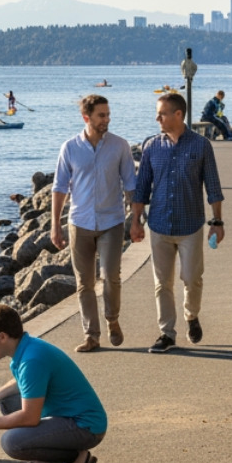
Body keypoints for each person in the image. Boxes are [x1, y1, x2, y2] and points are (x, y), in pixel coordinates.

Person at [0, 305, 106, 463]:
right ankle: (45, 460)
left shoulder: (32, 359)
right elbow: (24, 381)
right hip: (66, 416)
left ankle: (76, 457)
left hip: (85, 427)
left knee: (12, 443)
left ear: (2, 336)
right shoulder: (26, 348)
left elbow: (30, 417)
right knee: (6, 400)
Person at [129, 93, 225, 352]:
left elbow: (213, 186)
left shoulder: (201, 146)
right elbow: (141, 189)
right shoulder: (151, 146)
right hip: (158, 224)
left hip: (190, 225)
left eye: (162, 113)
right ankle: (167, 334)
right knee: (162, 283)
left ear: (178, 115)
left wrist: (217, 221)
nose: (157, 118)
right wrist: (136, 221)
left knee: (192, 278)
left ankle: (191, 315)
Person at [52, 94, 137, 352]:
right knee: (84, 283)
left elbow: (130, 184)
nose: (107, 120)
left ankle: (112, 319)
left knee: (111, 276)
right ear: (86, 117)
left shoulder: (120, 146)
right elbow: (59, 187)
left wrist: (136, 218)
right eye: (102, 115)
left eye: (108, 114)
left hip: (112, 221)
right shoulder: (70, 148)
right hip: (79, 222)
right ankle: (92, 335)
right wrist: (55, 224)